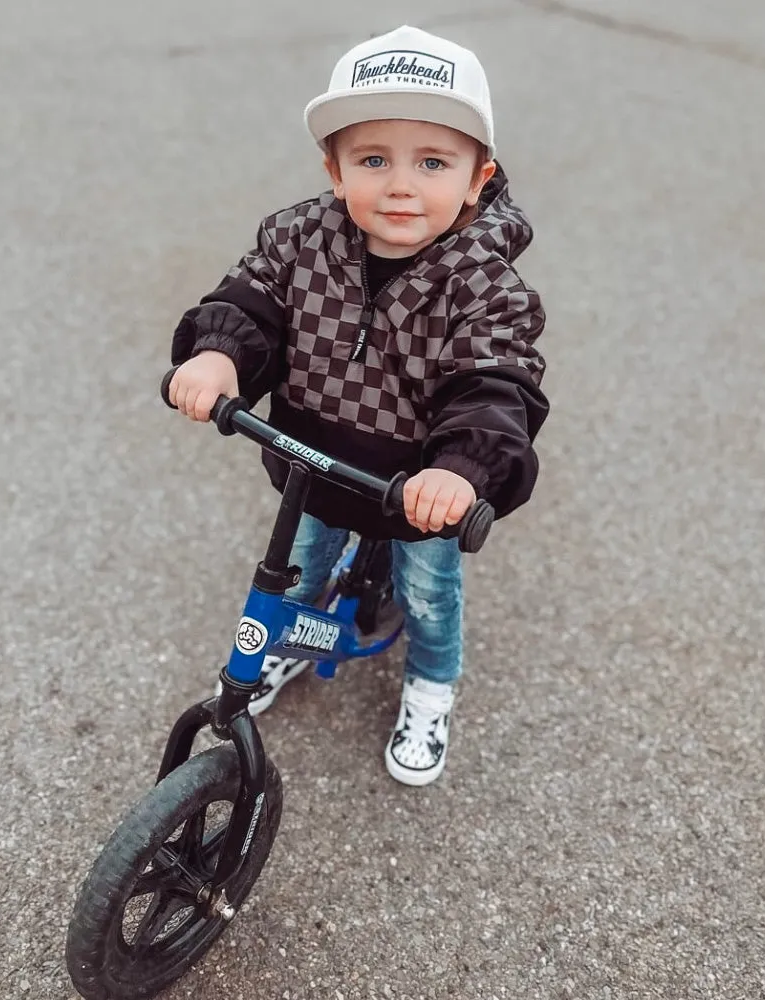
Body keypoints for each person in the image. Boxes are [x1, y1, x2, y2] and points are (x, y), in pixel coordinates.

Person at [166, 24, 549, 786]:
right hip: (315, 459)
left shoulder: (486, 287)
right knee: (296, 571)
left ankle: (433, 684)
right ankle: (282, 648)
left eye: (432, 162)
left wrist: (461, 469)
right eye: (373, 159)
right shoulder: (299, 240)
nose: (401, 185)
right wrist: (218, 352)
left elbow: (496, 387)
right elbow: (252, 301)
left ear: (478, 178)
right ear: (336, 170)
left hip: (416, 489)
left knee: (427, 593)